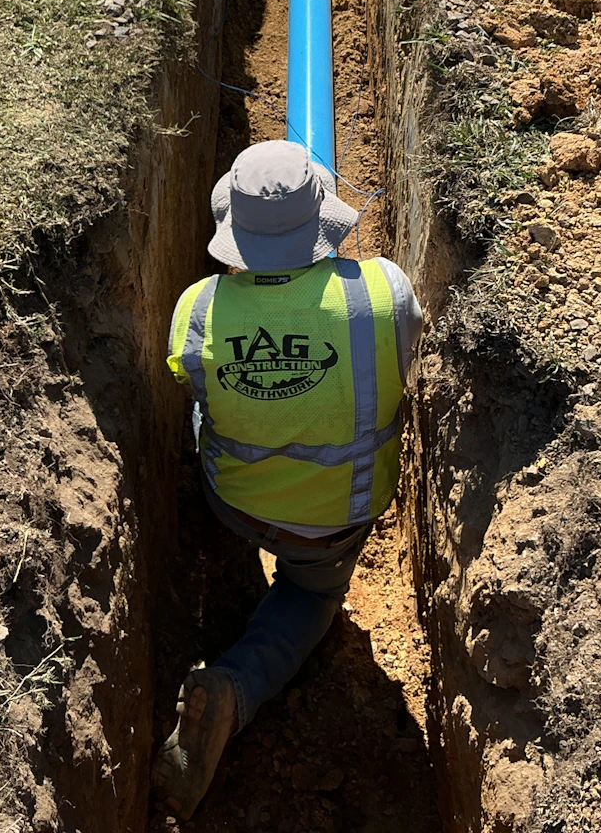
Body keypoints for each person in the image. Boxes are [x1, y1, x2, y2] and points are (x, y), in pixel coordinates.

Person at [152, 139, 423, 819]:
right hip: (337, 518)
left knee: (205, 412)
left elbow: (191, 385)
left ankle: (218, 566)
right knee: (308, 596)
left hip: (234, 502)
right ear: (322, 222)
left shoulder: (197, 310)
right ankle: (236, 688)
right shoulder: (386, 292)